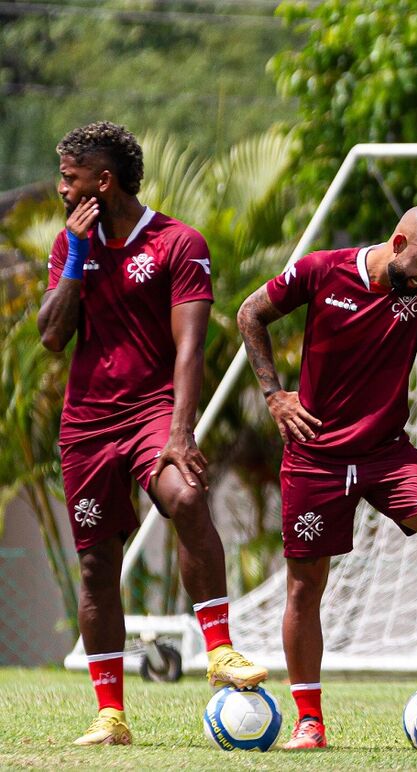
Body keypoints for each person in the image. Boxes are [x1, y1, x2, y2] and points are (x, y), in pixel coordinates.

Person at [237, 205, 417, 750]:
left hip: (385, 452)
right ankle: (309, 719)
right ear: (396, 242)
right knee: (305, 586)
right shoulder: (321, 271)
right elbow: (249, 313)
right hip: (314, 455)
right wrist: (275, 394)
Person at [36, 122, 267, 747]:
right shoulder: (70, 246)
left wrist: (181, 431)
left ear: (103, 182)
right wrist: (79, 257)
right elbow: (53, 335)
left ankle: (219, 650)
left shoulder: (178, 243)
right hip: (86, 425)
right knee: (95, 563)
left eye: (70, 177)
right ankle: (111, 715)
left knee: (187, 497)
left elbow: (190, 348)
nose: (61, 189)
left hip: (153, 412)